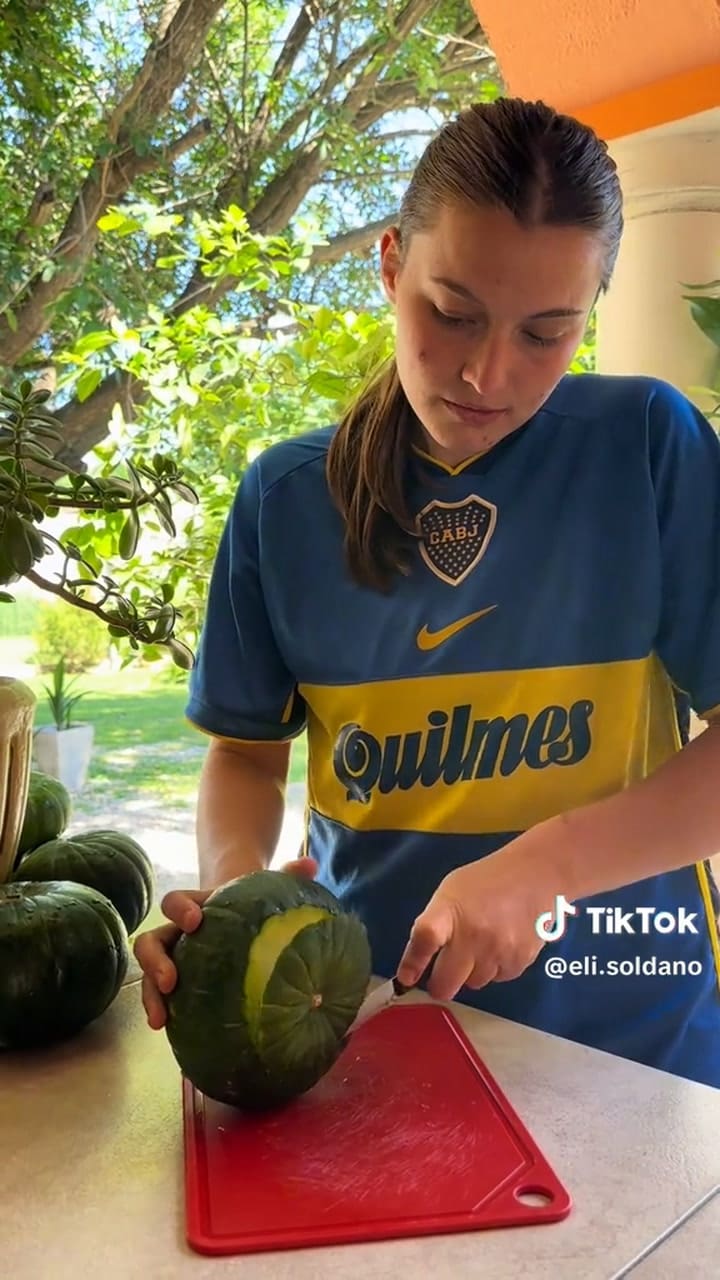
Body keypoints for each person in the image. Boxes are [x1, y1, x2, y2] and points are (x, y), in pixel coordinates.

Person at [134, 96, 720, 1090]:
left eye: (548, 332)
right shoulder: (284, 499)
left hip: (638, 1040)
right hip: (371, 1027)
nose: (488, 372)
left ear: (596, 308)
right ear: (391, 264)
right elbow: (243, 750)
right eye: (451, 313)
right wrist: (235, 900)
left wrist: (548, 863)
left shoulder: (647, 449)